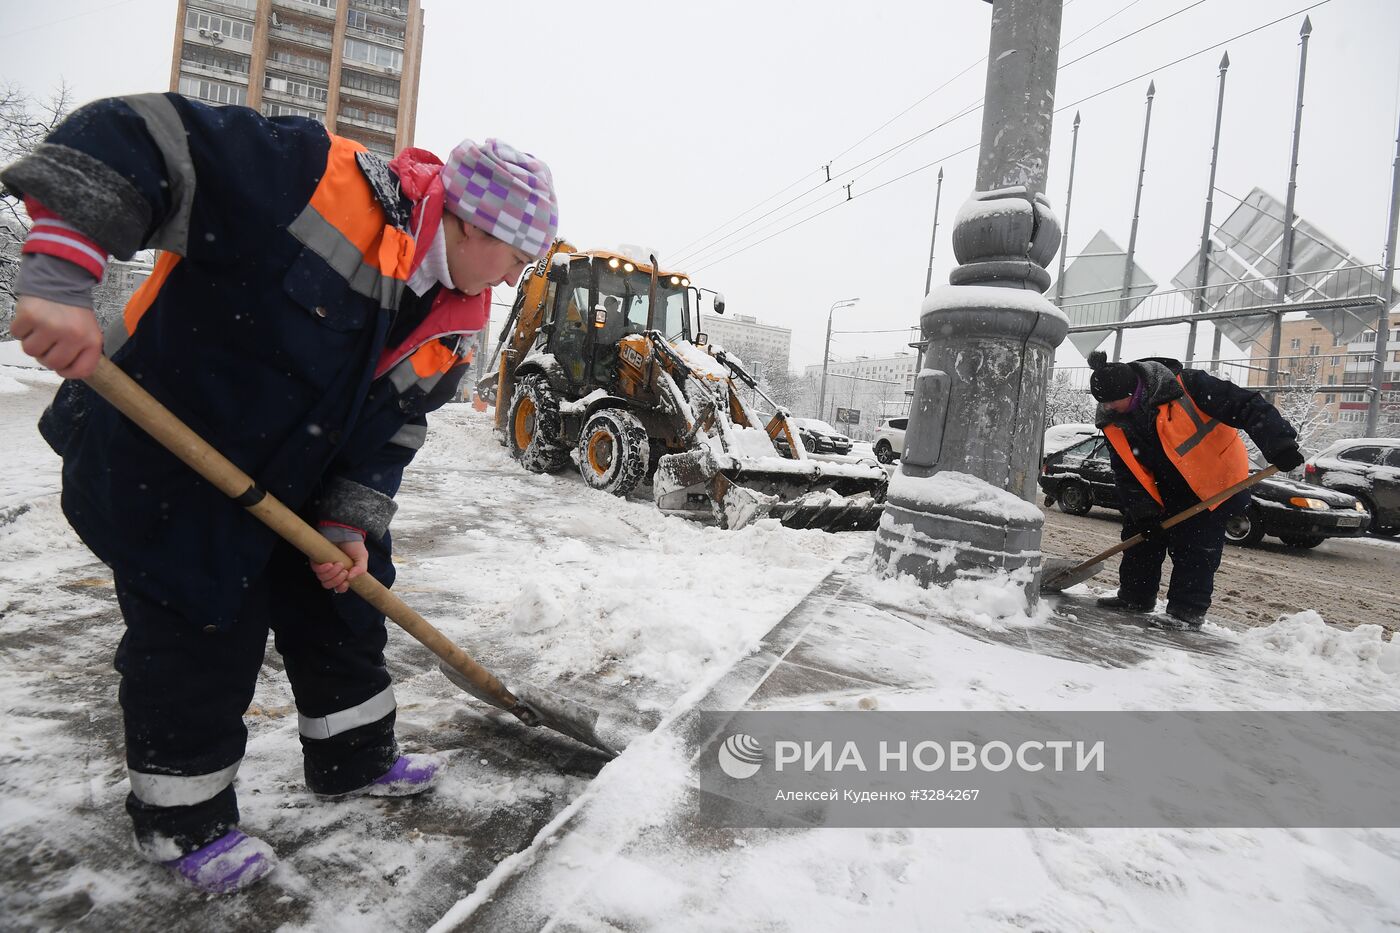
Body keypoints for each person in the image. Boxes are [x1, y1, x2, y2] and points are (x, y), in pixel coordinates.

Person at [1, 92, 558, 894]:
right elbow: (142, 136)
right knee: (201, 625)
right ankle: (183, 822)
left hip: (297, 471)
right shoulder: (317, 179)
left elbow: (393, 430)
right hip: (168, 450)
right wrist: (59, 273)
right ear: (471, 224)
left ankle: (353, 756)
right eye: (516, 256)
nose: (516, 277)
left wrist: (350, 520)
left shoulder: (458, 321)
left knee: (349, 597)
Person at [1085, 350, 1304, 628]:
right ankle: (1135, 597)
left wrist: (1280, 444)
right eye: (1104, 405)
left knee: (1194, 548)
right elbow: (1125, 468)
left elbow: (1248, 405)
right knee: (1141, 537)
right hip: (1160, 487)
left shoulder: (1189, 386)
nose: (1108, 410)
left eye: (1114, 404)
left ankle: (1185, 613)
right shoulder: (1111, 417)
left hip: (1212, 483)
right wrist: (1143, 510)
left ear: (1134, 391)